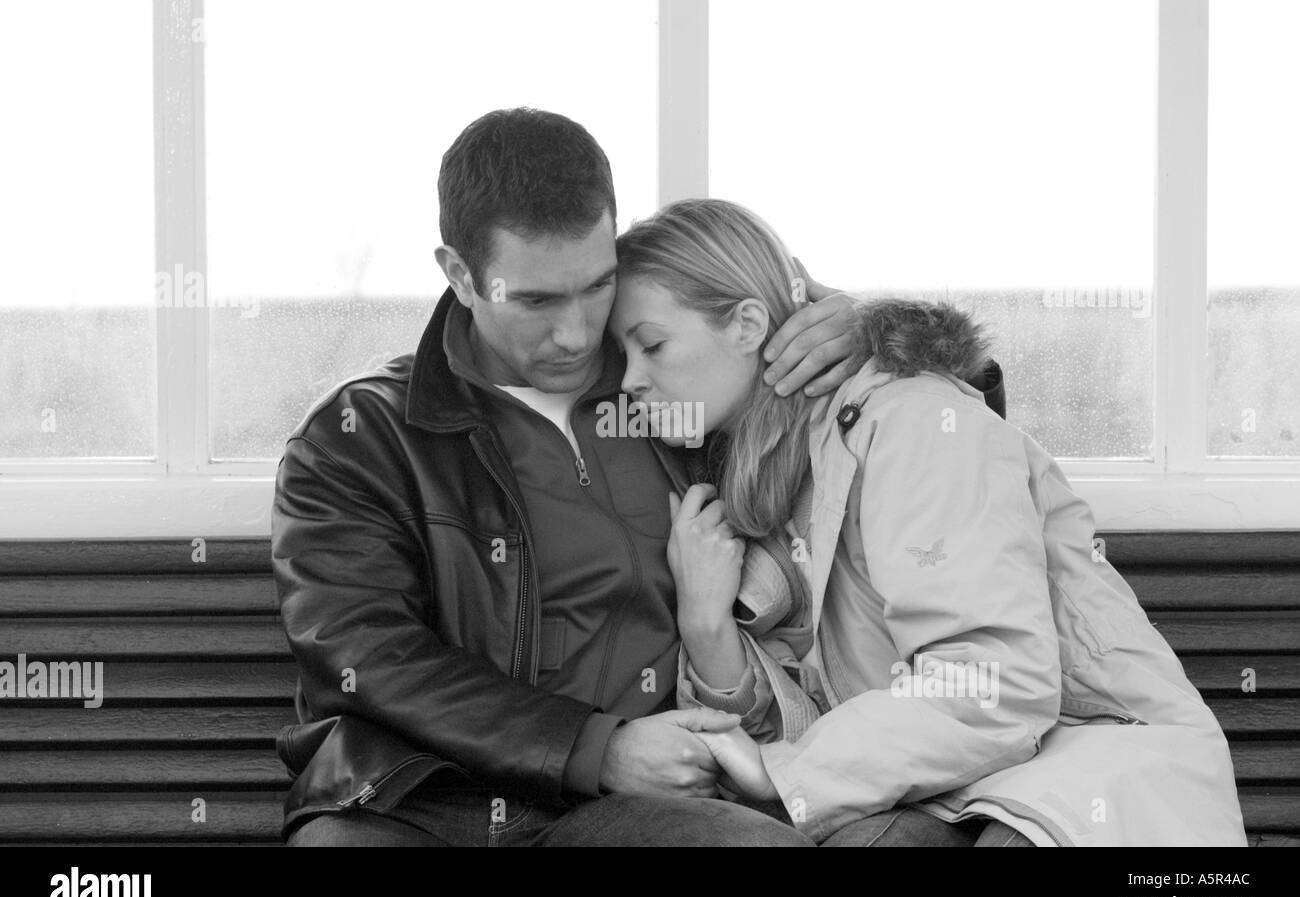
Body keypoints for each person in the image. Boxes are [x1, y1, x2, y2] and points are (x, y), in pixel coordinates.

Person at [271, 108, 1005, 846]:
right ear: (460, 274)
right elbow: (370, 656)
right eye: (535, 300)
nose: (577, 332)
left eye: (596, 286)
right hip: (420, 802)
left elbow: (931, 443)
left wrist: (872, 333)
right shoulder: (361, 435)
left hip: (630, 814)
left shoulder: (674, 391)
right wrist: (596, 747)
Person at [610, 197, 1248, 846]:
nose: (629, 381)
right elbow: (783, 758)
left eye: (652, 345)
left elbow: (994, 684)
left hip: (1083, 772)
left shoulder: (910, 420)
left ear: (747, 324)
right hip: (945, 788)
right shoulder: (743, 482)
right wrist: (705, 624)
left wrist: (785, 775)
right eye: (620, 356)